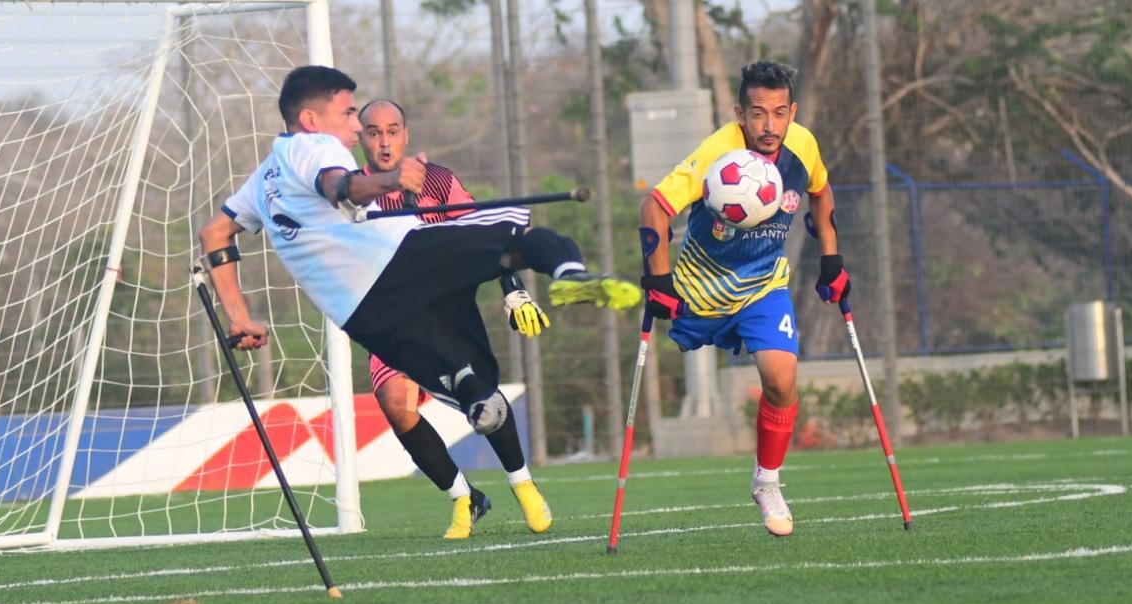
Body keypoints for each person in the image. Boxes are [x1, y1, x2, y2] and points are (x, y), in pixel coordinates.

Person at [197, 66, 641, 540]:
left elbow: (214, 232)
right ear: (310, 119)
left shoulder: (264, 176)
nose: (353, 126)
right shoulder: (315, 147)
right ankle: (569, 273)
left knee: (464, 379)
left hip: (362, 314)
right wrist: (388, 182)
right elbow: (340, 186)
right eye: (349, 114)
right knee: (515, 235)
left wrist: (239, 316)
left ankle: (482, 425)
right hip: (400, 261)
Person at [638, 60, 848, 537]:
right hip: (699, 285)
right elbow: (654, 206)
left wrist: (832, 259)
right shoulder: (717, 152)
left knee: (781, 378)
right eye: (757, 114)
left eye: (779, 113)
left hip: (762, 287)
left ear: (792, 111)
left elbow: (821, 188)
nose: (769, 126)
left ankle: (767, 482)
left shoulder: (804, 143)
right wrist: (658, 281)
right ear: (739, 113)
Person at [358, 97, 550, 539]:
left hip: (446, 310)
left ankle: (523, 485)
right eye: (373, 132)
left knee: (481, 398)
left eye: (392, 131)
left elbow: (482, 235)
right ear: (361, 138)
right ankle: (465, 498)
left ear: (405, 136)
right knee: (393, 403)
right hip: (393, 316)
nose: (384, 142)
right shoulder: (354, 193)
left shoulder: (439, 182)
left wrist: (513, 289)